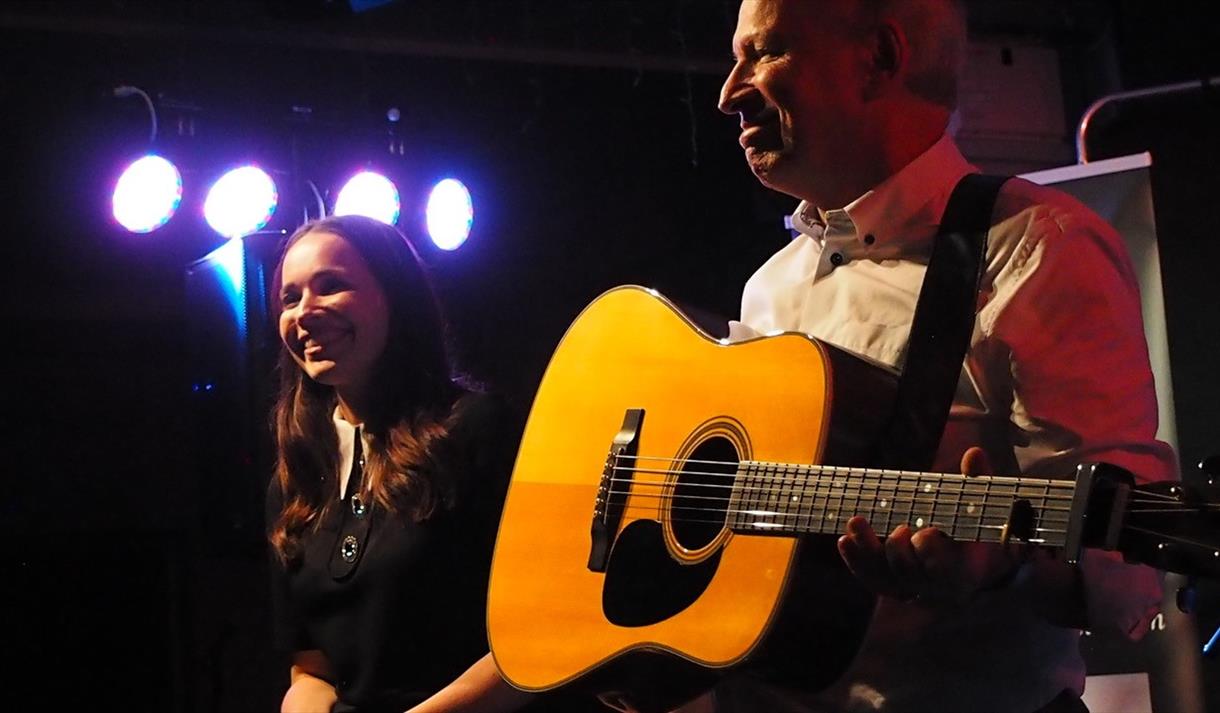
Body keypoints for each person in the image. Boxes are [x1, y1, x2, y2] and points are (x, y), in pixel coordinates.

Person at [705, 0, 1176, 711]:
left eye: (764, 53)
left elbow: (1127, 568)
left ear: (880, 60)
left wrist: (1002, 568)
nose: (728, 92)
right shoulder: (769, 286)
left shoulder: (1040, 249)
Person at [266, 214, 526, 713]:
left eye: (332, 286)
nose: (305, 312)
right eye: (289, 298)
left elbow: (539, 634)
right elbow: (311, 668)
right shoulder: (294, 475)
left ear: (395, 298)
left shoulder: (477, 428)